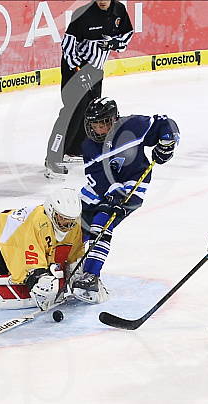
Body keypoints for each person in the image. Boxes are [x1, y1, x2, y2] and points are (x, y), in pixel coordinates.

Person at [72, 97, 179, 298]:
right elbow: (98, 177)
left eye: (103, 123)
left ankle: (91, 275)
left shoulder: (133, 126)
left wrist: (167, 144)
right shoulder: (88, 146)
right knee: (74, 221)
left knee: (102, 221)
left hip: (133, 184)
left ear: (114, 119)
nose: (98, 129)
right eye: (95, 124)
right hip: (102, 187)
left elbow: (165, 123)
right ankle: (68, 265)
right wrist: (112, 193)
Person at [45, 0, 134, 179]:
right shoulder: (83, 14)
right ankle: (53, 159)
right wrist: (79, 72)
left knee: (91, 112)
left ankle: (74, 150)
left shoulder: (118, 10)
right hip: (76, 71)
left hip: (96, 70)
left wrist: (113, 44)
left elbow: (127, 34)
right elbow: (68, 47)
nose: (102, 1)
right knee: (71, 113)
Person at [0, 188, 90, 312]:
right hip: (2, 248)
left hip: (28, 247)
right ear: (51, 211)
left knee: (54, 282)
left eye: (72, 221)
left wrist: (77, 276)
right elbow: (28, 255)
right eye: (63, 218)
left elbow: (75, 253)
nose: (68, 225)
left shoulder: (72, 225)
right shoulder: (36, 223)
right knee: (40, 284)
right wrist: (38, 277)